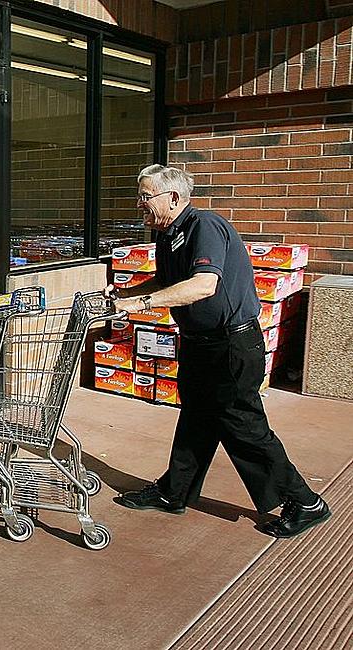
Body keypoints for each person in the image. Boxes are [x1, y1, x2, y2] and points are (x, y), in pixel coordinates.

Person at [108, 164, 330, 539]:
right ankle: (173, 492)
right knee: (197, 419)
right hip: (200, 344)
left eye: (146, 197)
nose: (139, 204)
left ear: (174, 197)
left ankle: (305, 501)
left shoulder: (204, 226)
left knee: (244, 426)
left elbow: (203, 285)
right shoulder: (168, 235)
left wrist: (141, 303)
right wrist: (124, 294)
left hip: (231, 345)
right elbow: (169, 280)